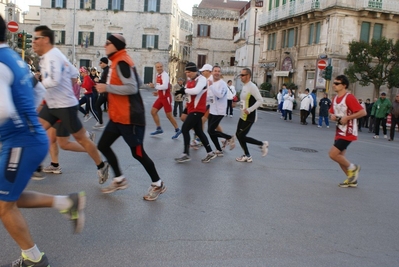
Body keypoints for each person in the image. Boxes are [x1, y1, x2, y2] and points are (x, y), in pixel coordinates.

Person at [0, 15, 86, 266]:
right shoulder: (15, 59)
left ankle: (34, 259)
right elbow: (36, 91)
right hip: (26, 138)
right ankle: (66, 202)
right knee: (8, 198)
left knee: (3, 206)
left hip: (21, 142)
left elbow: (3, 110)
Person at [32, 25, 109, 184]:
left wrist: (38, 79)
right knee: (40, 133)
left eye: (36, 38)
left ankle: (101, 164)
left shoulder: (53, 56)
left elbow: (53, 80)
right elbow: (74, 72)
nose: (33, 42)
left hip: (65, 106)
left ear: (45, 40)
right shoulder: (49, 56)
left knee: (75, 140)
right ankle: (35, 165)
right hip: (52, 105)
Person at [95, 34, 166, 201]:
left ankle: (158, 183)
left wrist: (107, 87)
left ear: (116, 45)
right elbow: (139, 81)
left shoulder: (121, 62)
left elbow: (132, 87)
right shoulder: (118, 61)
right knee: (103, 145)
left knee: (138, 153)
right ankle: (119, 179)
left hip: (131, 118)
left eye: (108, 43)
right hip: (118, 117)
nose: (105, 45)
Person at [174, 62, 217, 163]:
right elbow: (189, 93)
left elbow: (196, 91)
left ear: (194, 71)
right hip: (191, 108)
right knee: (199, 131)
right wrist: (184, 96)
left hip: (198, 109)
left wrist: (184, 90)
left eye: (189, 72)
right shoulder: (190, 80)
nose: (187, 74)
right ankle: (210, 152)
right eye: (186, 72)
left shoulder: (202, 79)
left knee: (185, 129)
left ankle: (186, 153)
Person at [328, 75, 366, 188]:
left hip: (348, 131)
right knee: (340, 157)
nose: (334, 85)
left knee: (332, 154)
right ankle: (351, 180)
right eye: (334, 83)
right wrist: (333, 116)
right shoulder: (335, 98)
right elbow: (331, 112)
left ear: (344, 85)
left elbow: (363, 112)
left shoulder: (349, 97)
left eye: (337, 83)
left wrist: (347, 118)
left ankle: (353, 167)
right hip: (339, 130)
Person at [235, 68, 269, 163]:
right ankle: (247, 155)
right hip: (242, 115)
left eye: (243, 75)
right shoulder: (245, 86)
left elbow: (260, 100)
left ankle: (262, 144)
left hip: (249, 117)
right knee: (238, 135)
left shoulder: (252, 86)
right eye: (240, 75)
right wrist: (236, 104)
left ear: (248, 76)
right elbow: (244, 101)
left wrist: (249, 110)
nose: (241, 77)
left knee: (241, 136)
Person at [207, 66, 235, 156]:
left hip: (220, 111)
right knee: (210, 132)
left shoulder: (222, 84)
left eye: (219, 71)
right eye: (215, 71)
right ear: (212, 72)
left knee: (211, 131)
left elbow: (220, 95)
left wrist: (211, 86)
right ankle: (219, 150)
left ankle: (230, 138)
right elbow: (209, 96)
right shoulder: (211, 83)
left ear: (220, 73)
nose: (217, 73)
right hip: (212, 109)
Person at [148, 62, 182, 139]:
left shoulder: (165, 75)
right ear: (156, 68)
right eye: (157, 67)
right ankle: (159, 128)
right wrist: (158, 92)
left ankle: (177, 130)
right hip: (161, 97)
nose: (159, 68)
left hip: (166, 98)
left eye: (160, 66)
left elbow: (165, 86)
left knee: (169, 116)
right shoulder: (157, 75)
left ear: (162, 67)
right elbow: (161, 87)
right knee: (153, 112)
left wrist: (154, 86)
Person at [93, 57, 110, 129]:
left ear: (104, 63)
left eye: (100, 63)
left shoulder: (107, 70)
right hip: (105, 92)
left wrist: (98, 81)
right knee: (97, 105)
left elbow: (106, 82)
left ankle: (101, 122)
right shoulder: (105, 70)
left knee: (97, 105)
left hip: (106, 92)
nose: (100, 64)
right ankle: (101, 122)